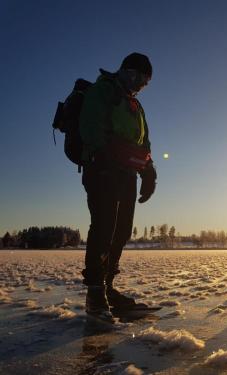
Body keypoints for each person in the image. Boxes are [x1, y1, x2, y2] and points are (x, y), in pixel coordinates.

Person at [79, 53, 157, 321]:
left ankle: (108, 288)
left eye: (144, 82)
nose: (139, 84)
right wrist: (102, 158)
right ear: (125, 70)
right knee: (104, 226)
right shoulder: (103, 91)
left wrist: (149, 172)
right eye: (137, 77)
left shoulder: (135, 106)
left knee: (122, 230)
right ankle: (95, 293)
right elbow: (90, 127)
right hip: (101, 170)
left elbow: (143, 143)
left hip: (127, 175)